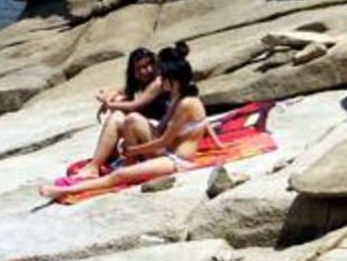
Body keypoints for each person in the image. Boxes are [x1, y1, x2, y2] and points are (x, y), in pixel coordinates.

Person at [40, 42, 223, 200]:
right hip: (167, 153)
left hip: (177, 161)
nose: (160, 80)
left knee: (119, 175)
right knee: (132, 121)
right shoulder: (179, 97)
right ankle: (116, 167)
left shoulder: (187, 103)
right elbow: (163, 128)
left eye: (164, 77)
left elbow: (164, 140)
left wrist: (131, 150)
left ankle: (62, 190)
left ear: (172, 79)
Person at [70, 47, 168, 179]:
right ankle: (96, 164)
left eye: (147, 66)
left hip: (161, 138)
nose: (145, 71)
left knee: (121, 115)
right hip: (149, 132)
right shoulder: (139, 83)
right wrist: (110, 97)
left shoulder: (158, 82)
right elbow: (112, 91)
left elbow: (136, 105)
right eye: (139, 68)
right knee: (118, 110)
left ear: (154, 64)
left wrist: (110, 105)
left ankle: (95, 165)